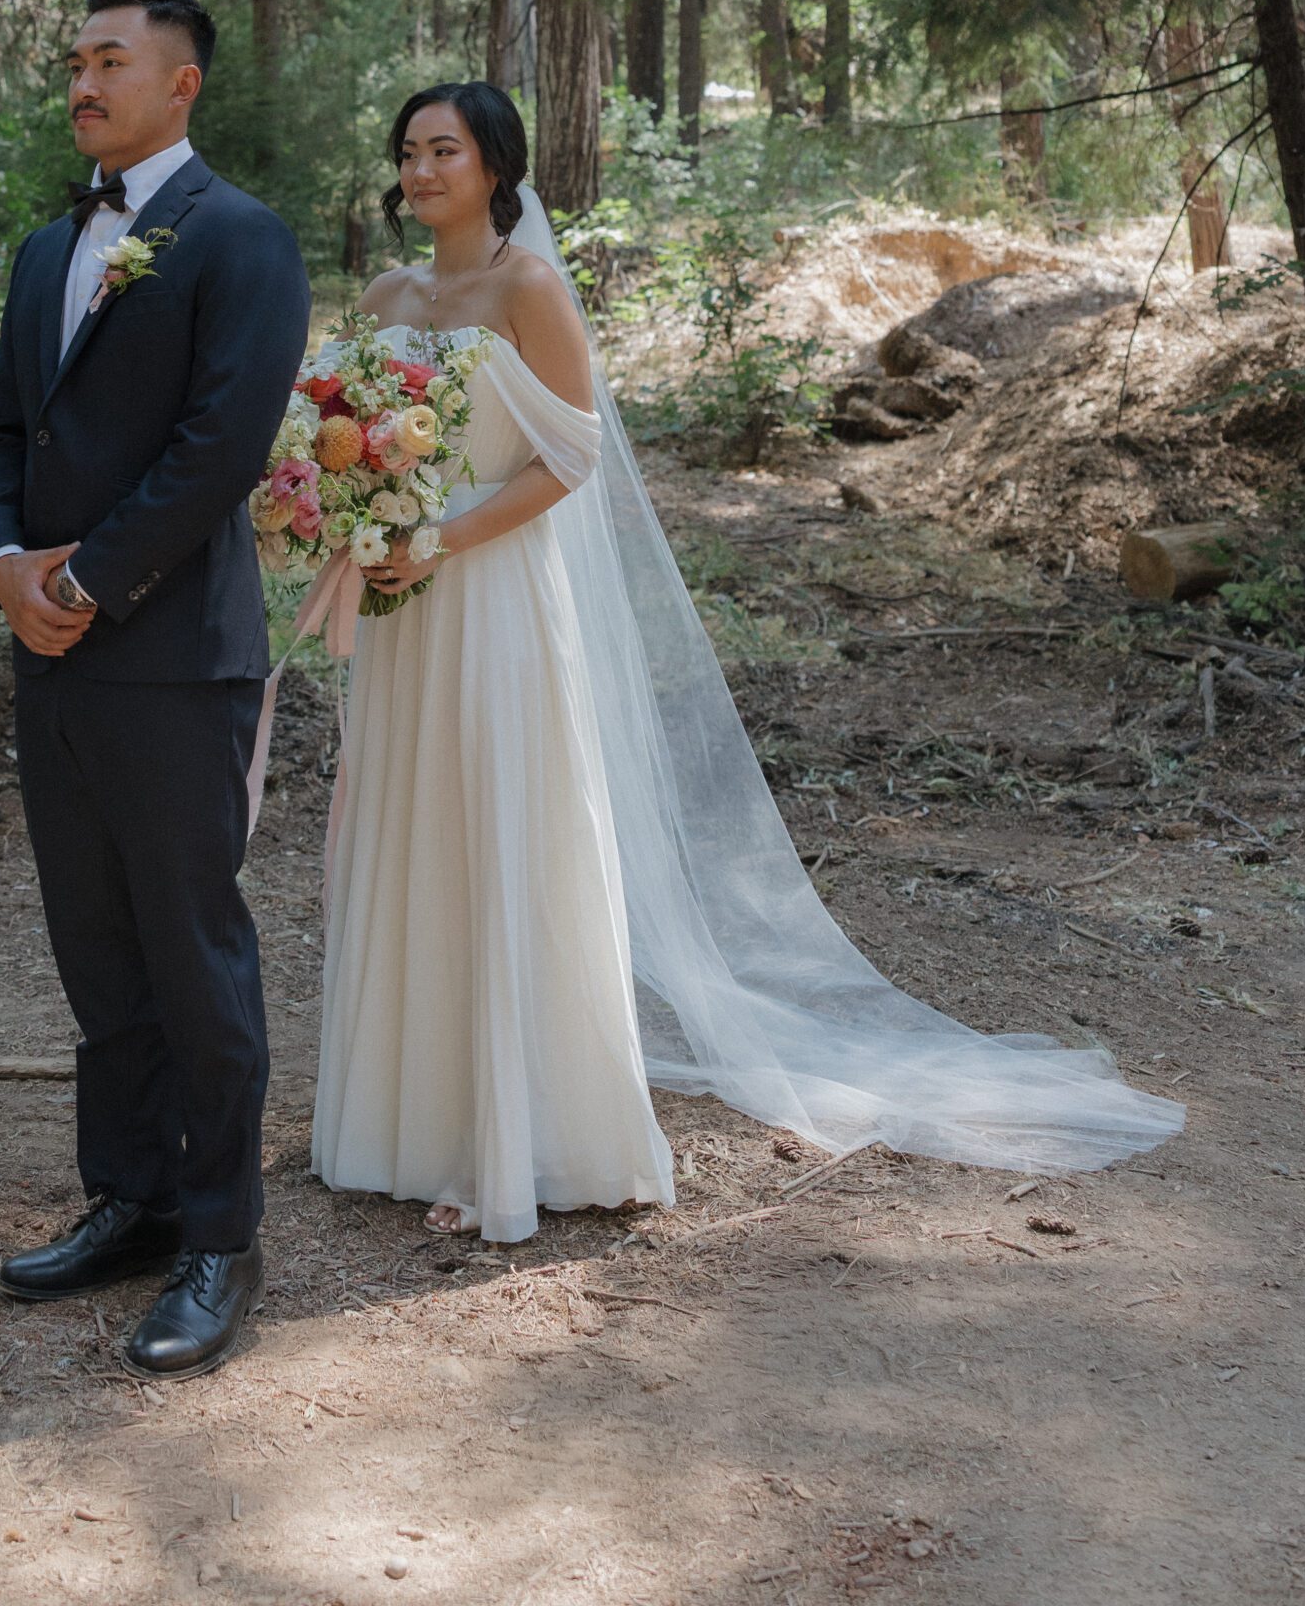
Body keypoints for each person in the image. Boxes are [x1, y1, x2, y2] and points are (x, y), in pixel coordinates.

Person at [312, 81, 1182, 1244]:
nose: (420, 170)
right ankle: (401, 1120)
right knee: (409, 824)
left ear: (493, 166)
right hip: (400, 605)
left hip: (495, 594)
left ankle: (517, 1132)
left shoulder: (528, 289)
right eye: (408, 151)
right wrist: (349, 514)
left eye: (444, 150)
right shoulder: (384, 295)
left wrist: (443, 535)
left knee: (499, 828)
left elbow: (570, 455)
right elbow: (345, 434)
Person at [0, 0, 309, 1376]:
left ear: (181, 82)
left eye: (110, 59)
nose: (82, 81)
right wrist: (4, 570)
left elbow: (220, 448)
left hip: (172, 656)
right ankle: (133, 1197)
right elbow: (3, 432)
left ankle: (222, 1237)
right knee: (96, 948)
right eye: (75, 60)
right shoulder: (47, 247)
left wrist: (87, 582)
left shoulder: (242, 239)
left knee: (189, 947)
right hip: (49, 658)